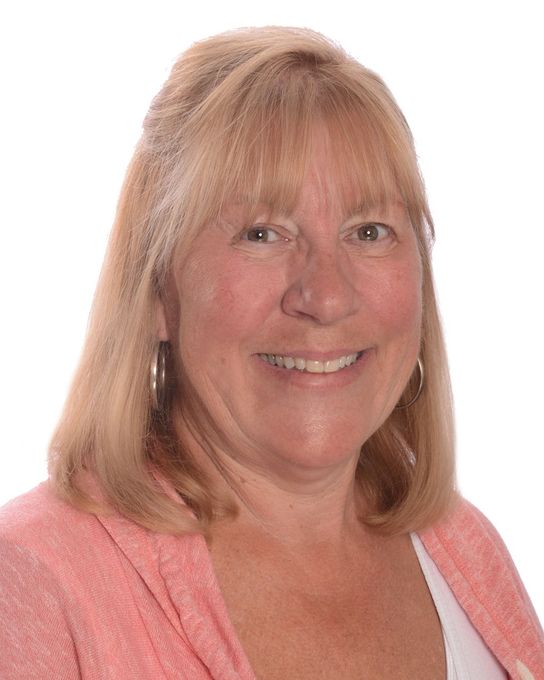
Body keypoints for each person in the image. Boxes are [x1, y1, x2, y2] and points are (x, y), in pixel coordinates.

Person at [0, 26, 542, 680]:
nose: (326, 295)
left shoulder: (462, 548)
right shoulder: (34, 582)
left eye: (368, 231)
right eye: (262, 232)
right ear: (155, 288)